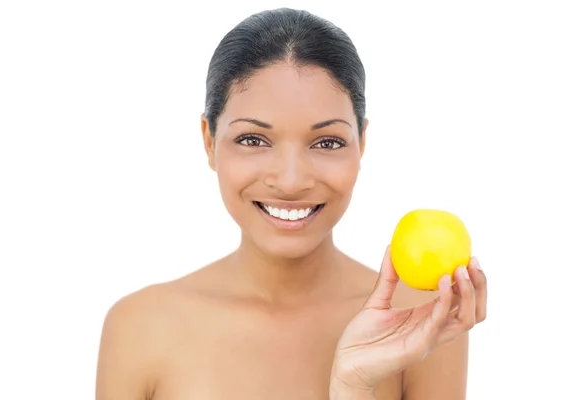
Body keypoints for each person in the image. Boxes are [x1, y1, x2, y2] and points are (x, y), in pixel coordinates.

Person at [95, 7, 487, 400]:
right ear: (209, 141)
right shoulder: (139, 328)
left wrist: (354, 386)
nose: (290, 180)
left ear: (361, 144)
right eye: (253, 140)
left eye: (327, 142)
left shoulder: (420, 322)